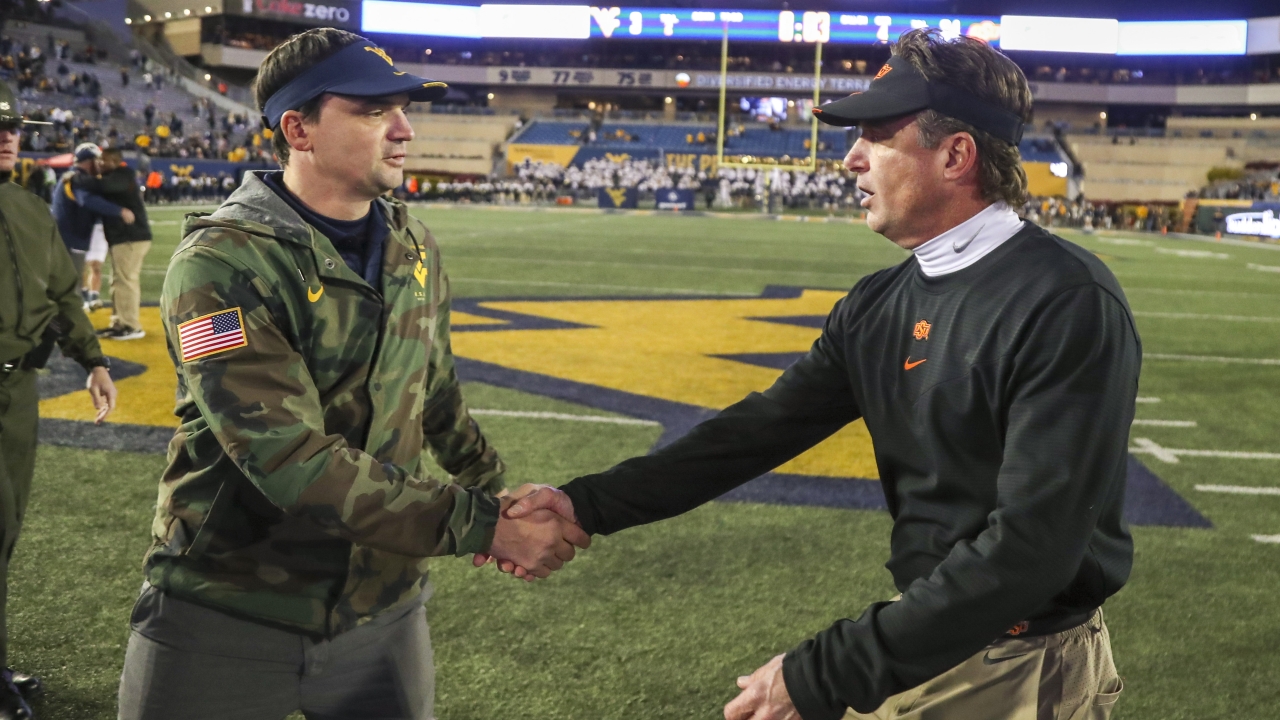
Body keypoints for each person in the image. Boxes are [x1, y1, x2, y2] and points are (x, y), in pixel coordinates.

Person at [494, 29, 1138, 720]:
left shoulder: (1064, 301)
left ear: (956, 155)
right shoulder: (879, 303)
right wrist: (585, 505)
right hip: (925, 632)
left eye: (877, 137)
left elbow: (1033, 547)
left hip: (1020, 662)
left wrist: (828, 671)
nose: (851, 158)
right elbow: (757, 431)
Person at [116, 28, 589, 720]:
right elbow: (291, 461)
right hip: (227, 613)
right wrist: (484, 524)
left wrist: (496, 491)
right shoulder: (221, 264)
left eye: (402, 109)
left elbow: (436, 393)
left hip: (384, 610)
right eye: (373, 112)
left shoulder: (412, 245)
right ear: (297, 129)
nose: (404, 130)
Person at [0, 81, 117, 720]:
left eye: (14, 126)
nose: (8, 136)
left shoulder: (28, 206)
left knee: (7, 528)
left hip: (20, 389)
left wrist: (93, 359)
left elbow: (63, 294)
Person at [49, 143, 134, 282]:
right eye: (98, 160)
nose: (100, 164)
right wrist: (120, 211)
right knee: (70, 286)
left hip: (66, 240)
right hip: (70, 241)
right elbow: (87, 200)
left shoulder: (74, 176)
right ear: (90, 161)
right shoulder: (77, 179)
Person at [93, 148, 151, 340]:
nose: (100, 163)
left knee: (126, 281)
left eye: (105, 160)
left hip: (131, 237)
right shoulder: (116, 176)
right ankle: (119, 322)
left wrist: (80, 178)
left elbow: (104, 186)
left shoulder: (124, 174)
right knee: (118, 281)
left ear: (116, 161)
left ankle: (131, 326)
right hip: (124, 237)